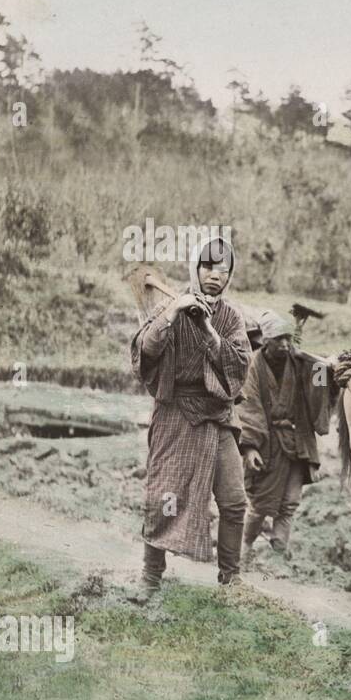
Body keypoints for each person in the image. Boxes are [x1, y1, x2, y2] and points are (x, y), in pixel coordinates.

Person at [131, 237, 252, 594]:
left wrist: (209, 330)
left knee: (234, 501)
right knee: (162, 496)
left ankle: (230, 579)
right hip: (175, 414)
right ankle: (150, 576)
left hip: (217, 417)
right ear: (195, 269)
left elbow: (239, 364)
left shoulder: (230, 317)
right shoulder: (172, 304)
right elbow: (145, 351)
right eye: (209, 266)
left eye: (224, 269)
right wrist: (174, 313)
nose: (216, 275)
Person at [237, 311, 334, 560]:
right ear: (266, 340)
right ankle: (243, 549)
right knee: (260, 505)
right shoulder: (252, 366)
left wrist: (322, 367)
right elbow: (248, 407)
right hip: (267, 443)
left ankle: (279, 552)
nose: (284, 344)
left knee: (290, 502)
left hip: (297, 441)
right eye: (279, 339)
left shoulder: (300, 363)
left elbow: (318, 386)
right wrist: (250, 448)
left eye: (288, 339)